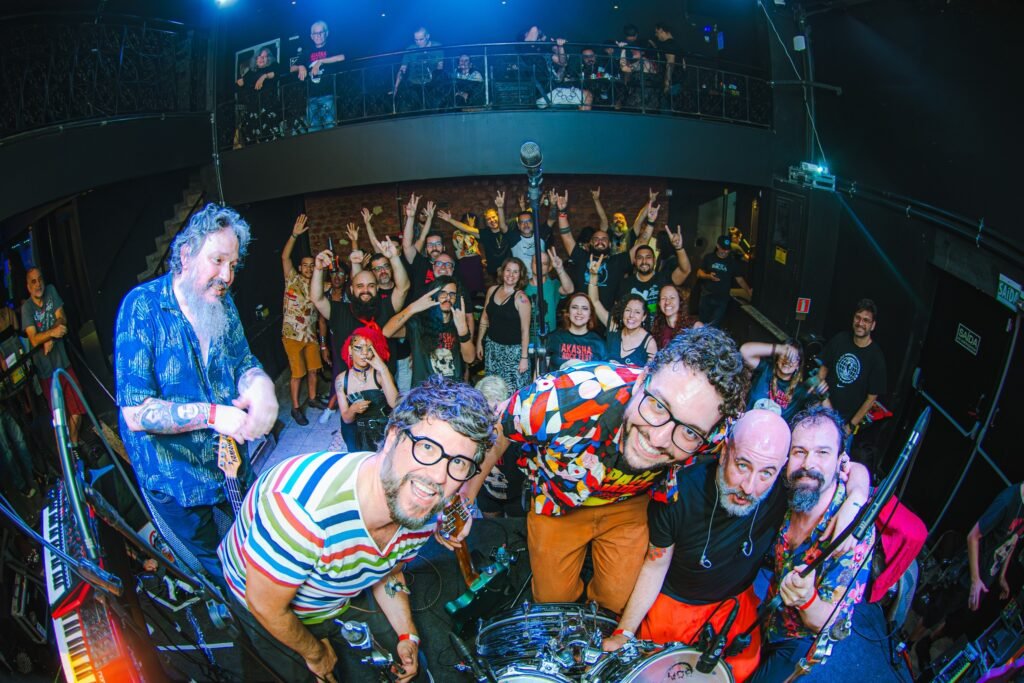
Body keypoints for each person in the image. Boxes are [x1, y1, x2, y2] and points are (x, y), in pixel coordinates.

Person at [450, 327, 751, 615]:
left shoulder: (715, 432)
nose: (658, 439)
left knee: (615, 601)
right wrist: (466, 498)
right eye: (659, 406)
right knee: (553, 602)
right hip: (558, 503)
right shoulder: (564, 397)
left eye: (688, 431)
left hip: (630, 506)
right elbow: (500, 428)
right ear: (642, 379)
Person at [218, 376, 496, 683]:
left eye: (458, 463)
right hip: (268, 607)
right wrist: (315, 653)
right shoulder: (299, 511)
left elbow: (388, 570)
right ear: (392, 437)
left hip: (336, 595)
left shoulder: (424, 509)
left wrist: (408, 634)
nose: (439, 477)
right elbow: (265, 606)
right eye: (427, 447)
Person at [603, 410, 870, 682]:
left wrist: (857, 498)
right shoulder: (683, 490)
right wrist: (624, 632)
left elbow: (850, 471)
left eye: (766, 472)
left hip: (762, 621)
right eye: (742, 465)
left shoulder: (806, 497)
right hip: (687, 608)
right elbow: (655, 564)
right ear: (725, 451)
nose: (750, 487)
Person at [115, 204, 278, 584]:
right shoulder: (142, 307)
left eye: (233, 264)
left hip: (227, 465)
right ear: (186, 254)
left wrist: (260, 384)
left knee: (256, 549)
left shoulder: (223, 303)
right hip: (177, 483)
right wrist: (213, 415)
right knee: (219, 575)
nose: (227, 276)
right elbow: (136, 413)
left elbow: (243, 361)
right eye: (217, 260)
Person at [751, 407, 876, 682]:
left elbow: (831, 625)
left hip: (797, 640)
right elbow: (859, 472)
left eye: (822, 453)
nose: (809, 464)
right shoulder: (791, 488)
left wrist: (806, 599)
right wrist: (859, 492)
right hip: (768, 611)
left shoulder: (854, 533)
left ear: (841, 462)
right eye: (799, 451)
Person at [23, 268, 86, 449]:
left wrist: (50, 336)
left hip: (63, 362)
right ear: (28, 287)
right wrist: (52, 334)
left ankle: (73, 447)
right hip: (46, 371)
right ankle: (65, 454)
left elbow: (62, 318)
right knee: (60, 419)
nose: (38, 284)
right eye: (33, 281)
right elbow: (34, 339)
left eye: (40, 279)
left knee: (78, 408)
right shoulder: (27, 308)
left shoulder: (50, 290)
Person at [383, 277, 474, 386]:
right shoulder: (419, 324)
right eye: (443, 293)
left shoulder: (458, 323)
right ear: (434, 294)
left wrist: (463, 331)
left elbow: (470, 359)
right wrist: (412, 308)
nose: (448, 298)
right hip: (424, 393)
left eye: (452, 294)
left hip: (452, 391)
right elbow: (387, 332)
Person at [281, 214, 325, 426]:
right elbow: (284, 257)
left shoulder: (318, 283)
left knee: (314, 369)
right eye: (305, 265)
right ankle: (296, 408)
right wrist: (294, 235)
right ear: (300, 267)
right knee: (297, 373)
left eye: (311, 265)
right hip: (292, 335)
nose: (308, 268)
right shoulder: (292, 279)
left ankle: (313, 398)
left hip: (310, 335)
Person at [819, 299, 887, 436]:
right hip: (822, 409)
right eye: (858, 317)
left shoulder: (876, 357)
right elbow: (823, 369)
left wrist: (850, 426)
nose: (860, 323)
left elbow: (871, 398)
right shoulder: (840, 339)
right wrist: (822, 398)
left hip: (844, 422)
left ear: (873, 325)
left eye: (866, 320)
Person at [616, 224, 691, 328]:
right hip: (633, 333)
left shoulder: (664, 279)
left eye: (648, 257)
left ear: (654, 260)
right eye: (640, 258)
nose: (644, 261)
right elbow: (618, 310)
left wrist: (679, 248)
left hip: (659, 334)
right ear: (635, 261)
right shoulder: (625, 283)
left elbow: (685, 270)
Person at [337, 326, 399, 453]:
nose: (364, 353)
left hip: (382, 431)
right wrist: (353, 409)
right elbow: (346, 419)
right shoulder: (341, 380)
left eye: (369, 349)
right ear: (350, 350)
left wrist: (384, 370)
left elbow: (395, 404)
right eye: (358, 348)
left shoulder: (380, 375)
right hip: (357, 435)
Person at [967, 481, 1023, 611]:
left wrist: (1002, 576)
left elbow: (1012, 541)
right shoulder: (1007, 500)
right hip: (971, 573)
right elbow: (972, 537)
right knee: (936, 614)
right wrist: (975, 580)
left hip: (986, 578)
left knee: (957, 618)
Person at [477, 257, 532, 391]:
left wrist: (524, 358)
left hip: (513, 353)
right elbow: (484, 318)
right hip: (493, 349)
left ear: (520, 275)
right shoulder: (492, 290)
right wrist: (479, 342)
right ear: (502, 271)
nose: (511, 274)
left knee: (513, 391)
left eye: (515, 272)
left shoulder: (522, 299)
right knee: (493, 390)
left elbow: (525, 331)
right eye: (508, 270)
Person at [741, 339, 827, 421]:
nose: (788, 360)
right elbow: (744, 351)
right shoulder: (765, 369)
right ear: (777, 358)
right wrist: (781, 349)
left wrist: (823, 396)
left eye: (794, 358)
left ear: (798, 366)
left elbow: (827, 415)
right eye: (785, 355)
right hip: (747, 425)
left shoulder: (801, 391)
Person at [589, 263, 656, 366]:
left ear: (644, 317)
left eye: (637, 312)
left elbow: (651, 374)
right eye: (628, 310)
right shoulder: (613, 327)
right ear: (623, 312)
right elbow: (594, 301)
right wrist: (593, 276)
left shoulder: (649, 343)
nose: (631, 315)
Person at [437, 191, 510, 278]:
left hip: (509, 269)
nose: (492, 220)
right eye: (489, 219)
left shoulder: (506, 230)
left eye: (493, 217)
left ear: (498, 217)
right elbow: (466, 229)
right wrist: (450, 220)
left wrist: (500, 208)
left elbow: (505, 225)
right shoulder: (485, 233)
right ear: (486, 222)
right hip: (493, 271)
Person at [292, 20, 346, 131]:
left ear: (326, 33)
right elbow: (291, 68)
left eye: (321, 32)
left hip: (328, 95)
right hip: (311, 96)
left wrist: (321, 61)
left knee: (330, 127)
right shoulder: (307, 52)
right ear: (311, 36)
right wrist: (300, 66)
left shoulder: (331, 47)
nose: (318, 35)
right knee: (313, 130)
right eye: (315, 33)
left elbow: (341, 57)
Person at [696, 235, 752, 327]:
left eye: (727, 249)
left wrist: (748, 290)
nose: (725, 252)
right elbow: (699, 273)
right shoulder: (709, 257)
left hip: (722, 299)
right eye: (723, 249)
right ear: (718, 246)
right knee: (702, 324)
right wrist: (708, 276)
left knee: (714, 326)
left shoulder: (732, 262)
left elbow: (740, 279)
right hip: (706, 297)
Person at [235, 45, 285, 145]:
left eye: (265, 57)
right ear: (256, 58)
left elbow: (277, 73)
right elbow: (240, 86)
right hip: (253, 110)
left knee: (270, 139)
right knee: (251, 141)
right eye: (260, 56)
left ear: (268, 59)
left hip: (268, 108)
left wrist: (264, 77)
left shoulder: (273, 66)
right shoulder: (250, 72)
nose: (262, 59)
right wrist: (239, 83)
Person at [525, 248, 574, 347]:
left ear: (549, 268)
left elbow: (569, 290)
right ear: (531, 264)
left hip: (549, 340)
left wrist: (560, 269)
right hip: (526, 340)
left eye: (544, 264)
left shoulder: (553, 284)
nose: (539, 266)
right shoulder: (523, 286)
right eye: (537, 262)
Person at [545, 292, 606, 369]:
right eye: (575, 307)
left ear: (590, 315)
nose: (579, 312)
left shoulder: (599, 343)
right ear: (568, 312)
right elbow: (540, 371)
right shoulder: (554, 338)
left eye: (584, 308)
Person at [393, 26, 445, 112]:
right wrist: (396, 87)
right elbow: (402, 69)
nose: (418, 42)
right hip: (414, 84)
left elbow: (440, 66)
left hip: (431, 85)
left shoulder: (437, 47)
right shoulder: (410, 49)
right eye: (416, 40)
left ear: (427, 36)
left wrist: (436, 83)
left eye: (421, 39)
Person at [651, 284, 700, 349]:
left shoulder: (695, 327)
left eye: (672, 297)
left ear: (680, 301)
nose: (667, 302)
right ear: (659, 303)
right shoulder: (657, 330)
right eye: (663, 298)